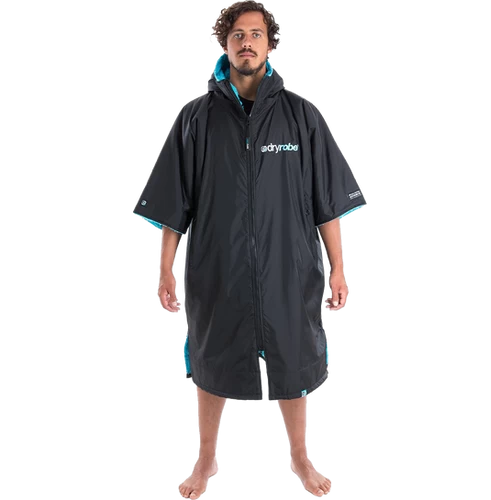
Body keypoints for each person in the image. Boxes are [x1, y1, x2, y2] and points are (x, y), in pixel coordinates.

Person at [132, 1, 367, 498]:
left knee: (294, 355)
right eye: (237, 34)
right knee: (211, 356)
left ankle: (300, 455)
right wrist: (164, 270)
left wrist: (339, 269)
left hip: (290, 266)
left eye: (256, 34)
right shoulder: (195, 118)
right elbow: (174, 203)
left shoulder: (302, 115)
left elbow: (326, 201)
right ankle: (206, 457)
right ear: (225, 43)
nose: (246, 43)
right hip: (217, 266)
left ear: (270, 43)